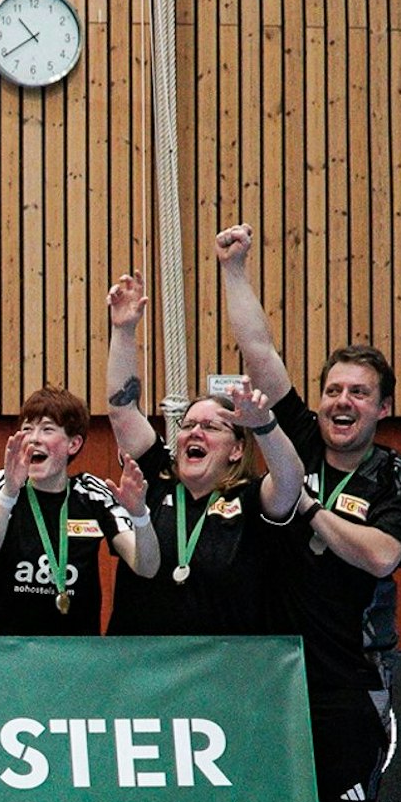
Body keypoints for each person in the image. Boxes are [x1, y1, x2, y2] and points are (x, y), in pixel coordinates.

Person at [216, 223, 401, 802]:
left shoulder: (394, 476)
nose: (341, 402)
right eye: (334, 389)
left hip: (348, 667)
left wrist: (309, 510)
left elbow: (381, 556)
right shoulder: (296, 434)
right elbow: (259, 349)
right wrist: (235, 269)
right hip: (268, 663)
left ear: (382, 407)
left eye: (358, 393)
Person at [100, 269, 303, 636]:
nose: (194, 432)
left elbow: (290, 480)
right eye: (189, 425)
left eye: (210, 427)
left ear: (237, 449)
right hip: (143, 662)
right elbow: (122, 410)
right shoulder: (155, 480)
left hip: (224, 665)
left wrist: (264, 425)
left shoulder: (250, 499)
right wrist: (124, 331)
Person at [0, 385, 158, 634]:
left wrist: (140, 515)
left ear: (74, 443)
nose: (34, 438)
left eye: (47, 429)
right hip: (6, 645)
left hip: (74, 648)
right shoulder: (2, 485)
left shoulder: (91, 493)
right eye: (27, 429)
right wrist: (9, 494)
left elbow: (146, 567)